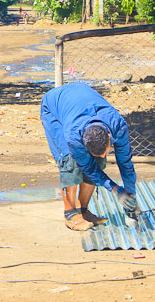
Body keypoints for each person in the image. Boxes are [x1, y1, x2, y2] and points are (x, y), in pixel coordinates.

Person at [40, 82, 139, 231]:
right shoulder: (73, 136)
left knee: (98, 162)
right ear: (84, 142)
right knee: (70, 162)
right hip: (54, 107)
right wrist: (116, 190)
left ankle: (83, 210)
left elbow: (126, 164)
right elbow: (89, 169)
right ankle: (70, 212)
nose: (105, 155)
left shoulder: (118, 126)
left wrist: (130, 197)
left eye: (105, 151)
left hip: (78, 99)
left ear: (109, 136)